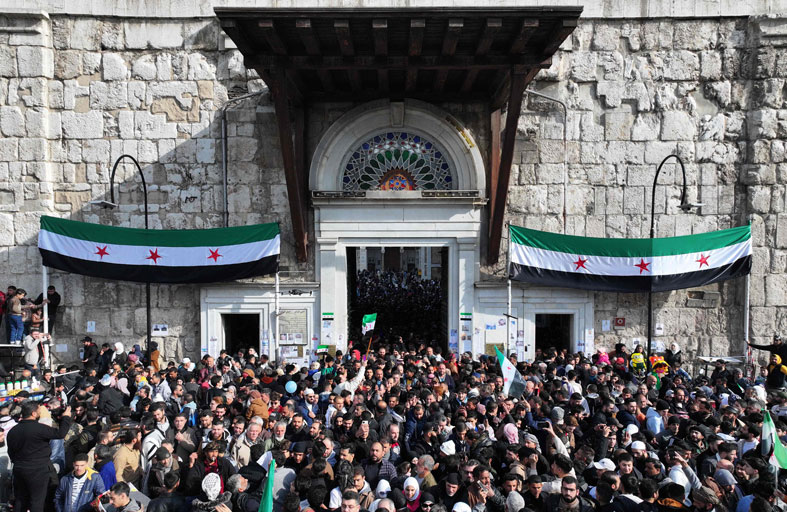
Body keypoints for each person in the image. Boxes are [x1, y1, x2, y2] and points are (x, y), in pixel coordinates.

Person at [7, 401, 73, 512]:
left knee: (20, 500)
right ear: (33, 413)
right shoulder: (40, 429)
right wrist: (66, 417)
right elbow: (60, 434)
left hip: (19, 469)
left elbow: (11, 453)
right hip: (38, 470)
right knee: (37, 501)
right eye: (39, 411)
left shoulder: (13, 431)